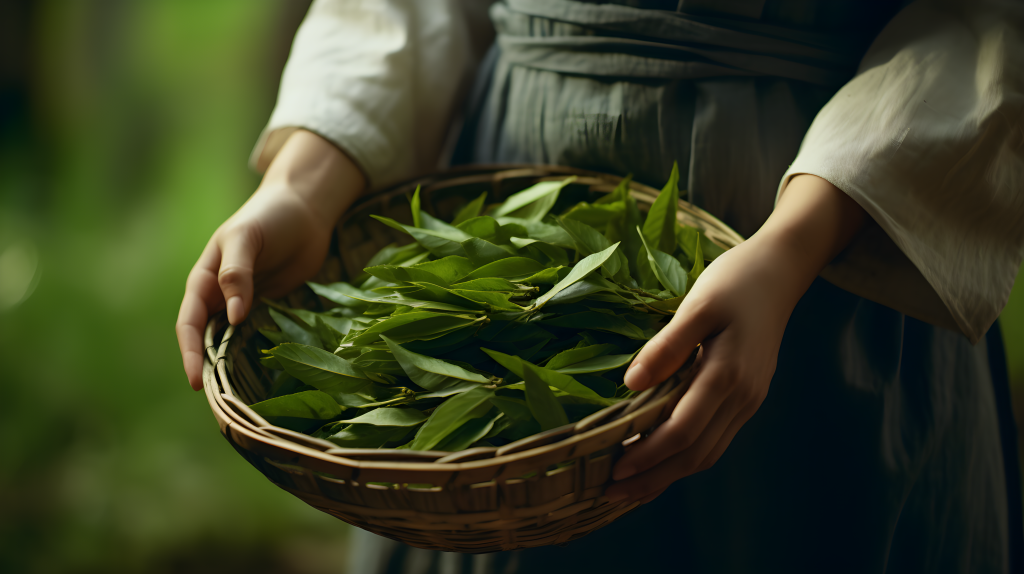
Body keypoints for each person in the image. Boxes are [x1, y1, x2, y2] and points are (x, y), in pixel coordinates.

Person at [176, 1, 1024, 572]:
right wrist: (305, 183)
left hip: (828, 225)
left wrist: (793, 246)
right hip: (504, 186)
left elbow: (982, 20)